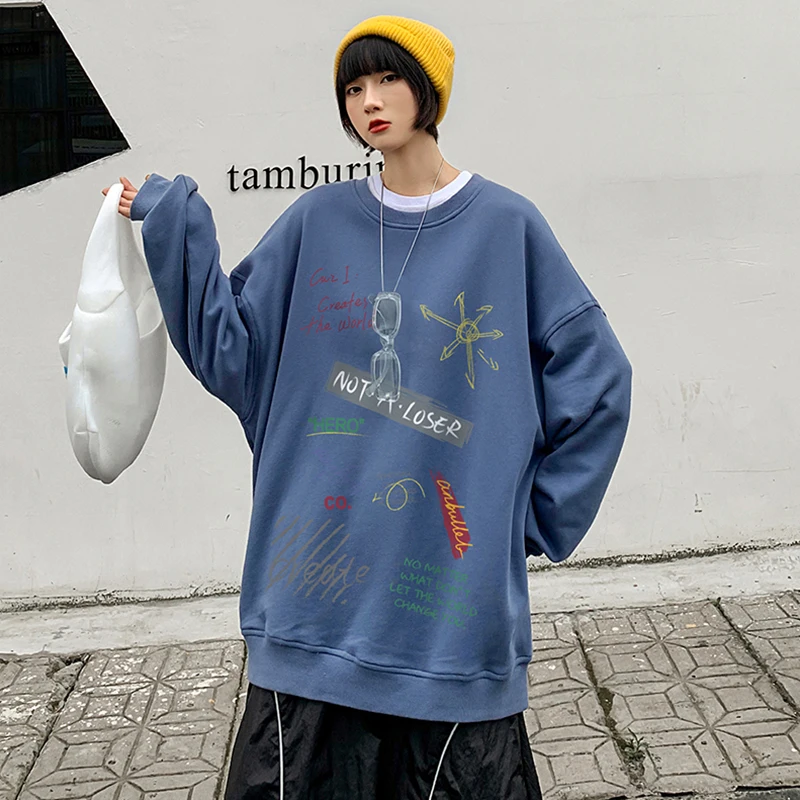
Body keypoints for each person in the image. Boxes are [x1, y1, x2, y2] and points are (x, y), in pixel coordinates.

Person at [102, 14, 632, 799]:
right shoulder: (316, 220)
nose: (370, 101)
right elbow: (233, 352)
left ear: (429, 91)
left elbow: (600, 383)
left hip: (449, 621)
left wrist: (527, 520)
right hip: (312, 604)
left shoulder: (507, 227)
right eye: (353, 88)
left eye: (387, 79)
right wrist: (176, 224)